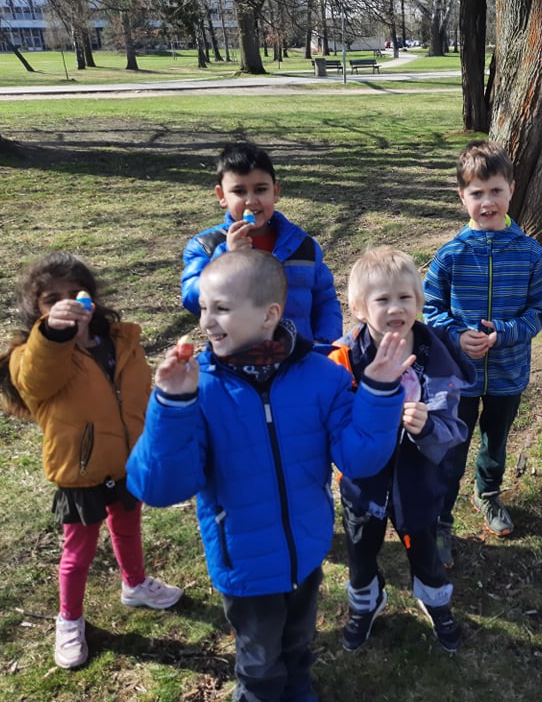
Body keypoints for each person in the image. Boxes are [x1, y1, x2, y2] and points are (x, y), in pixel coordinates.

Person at [127, 249, 413, 702]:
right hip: (245, 562)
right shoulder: (199, 386)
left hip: (307, 550)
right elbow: (159, 488)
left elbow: (360, 460)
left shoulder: (322, 377)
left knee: (298, 643)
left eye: (221, 308)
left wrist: (378, 392)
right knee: (259, 661)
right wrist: (172, 406)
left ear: (269, 315)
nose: (206, 321)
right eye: (204, 307)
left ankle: (298, 687)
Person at [0, 252, 182, 670]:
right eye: (52, 299)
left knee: (128, 527)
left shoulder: (119, 341)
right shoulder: (34, 355)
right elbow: (38, 378)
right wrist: (54, 335)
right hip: (80, 468)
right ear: (36, 310)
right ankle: (69, 619)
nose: (67, 303)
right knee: (79, 551)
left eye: (76, 293)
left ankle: (135, 584)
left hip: (126, 460)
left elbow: (137, 393)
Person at [328, 247, 475, 653]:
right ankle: (366, 602)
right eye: (382, 299)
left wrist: (428, 427)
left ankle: (435, 600)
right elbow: (332, 425)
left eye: (405, 297)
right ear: (359, 308)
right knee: (361, 551)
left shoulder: (437, 357)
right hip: (362, 484)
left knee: (425, 551)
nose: (395, 308)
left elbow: (455, 428)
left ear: (419, 301)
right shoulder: (342, 360)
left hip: (419, 481)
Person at [423, 140, 542, 561]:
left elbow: (541, 310)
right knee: (451, 449)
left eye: (496, 191)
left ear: (511, 190)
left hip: (507, 374)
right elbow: (430, 310)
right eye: (477, 193)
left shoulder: (530, 253)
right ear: (462, 196)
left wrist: (506, 333)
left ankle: (488, 494)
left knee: (494, 443)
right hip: (458, 377)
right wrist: (457, 337)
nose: (487, 202)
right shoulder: (450, 255)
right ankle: (440, 517)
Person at [180, 141, 342, 344]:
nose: (251, 200)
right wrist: (227, 259)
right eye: (239, 191)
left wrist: (325, 344)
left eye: (260, 189)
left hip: (300, 355)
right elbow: (192, 299)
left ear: (275, 192)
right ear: (222, 196)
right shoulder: (206, 246)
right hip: (238, 355)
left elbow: (325, 301)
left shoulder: (303, 245)